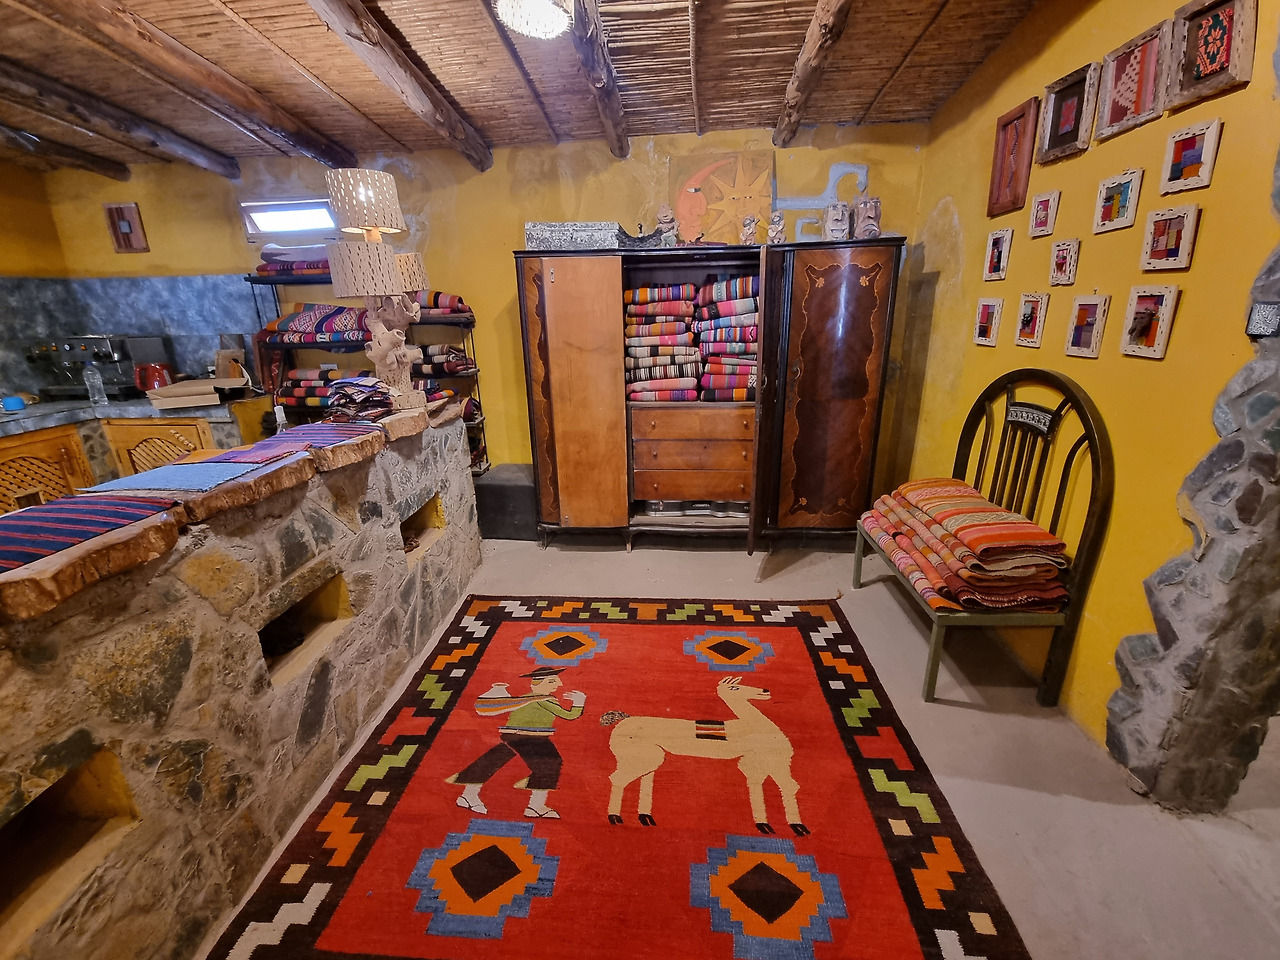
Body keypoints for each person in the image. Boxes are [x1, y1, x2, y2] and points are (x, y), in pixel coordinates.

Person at [451, 666, 586, 818]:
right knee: (550, 764)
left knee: (494, 759)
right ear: (537, 683)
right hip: (529, 737)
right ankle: (535, 806)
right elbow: (569, 715)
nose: (559, 684)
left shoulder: (527, 698)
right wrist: (579, 702)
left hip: (517, 735)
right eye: (552, 681)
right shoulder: (544, 700)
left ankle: (467, 795)